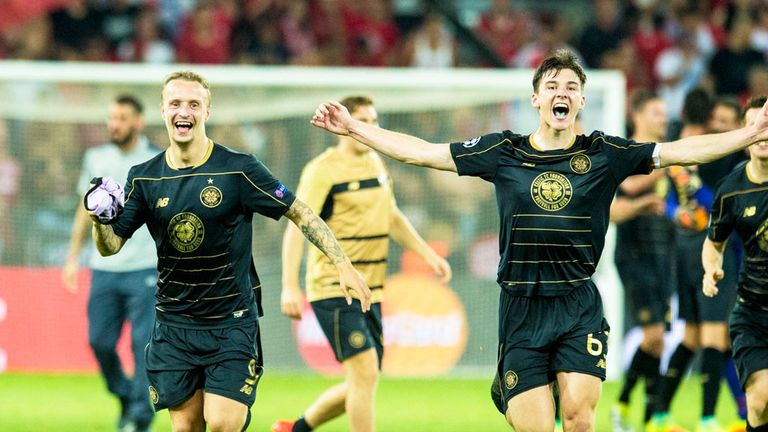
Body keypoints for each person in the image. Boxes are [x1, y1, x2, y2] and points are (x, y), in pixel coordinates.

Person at [309, 49, 768, 431]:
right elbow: (426, 153)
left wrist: (749, 133)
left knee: (579, 417)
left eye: (570, 87)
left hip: (577, 305)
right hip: (522, 307)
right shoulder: (503, 151)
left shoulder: (604, 153)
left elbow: (676, 152)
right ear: (535, 99)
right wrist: (354, 128)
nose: (561, 93)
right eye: (552, 86)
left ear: (582, 101)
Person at [86, 71, 371, 432]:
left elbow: (300, 211)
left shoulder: (239, 168)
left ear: (207, 111)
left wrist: (342, 264)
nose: (183, 111)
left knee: (221, 423)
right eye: (175, 103)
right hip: (174, 326)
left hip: (231, 323)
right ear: (163, 110)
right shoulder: (144, 177)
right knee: (186, 427)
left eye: (193, 103)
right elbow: (111, 247)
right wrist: (100, 218)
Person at [271, 96, 451, 432]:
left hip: (373, 288)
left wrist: (427, 253)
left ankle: (295, 429)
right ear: (342, 125)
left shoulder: (376, 163)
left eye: (374, 119)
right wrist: (289, 286)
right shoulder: (322, 170)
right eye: (363, 119)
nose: (372, 126)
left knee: (364, 378)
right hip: (333, 286)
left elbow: (392, 215)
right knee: (365, 372)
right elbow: (299, 225)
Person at [62, 95, 159, 432]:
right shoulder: (96, 157)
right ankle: (126, 397)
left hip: (146, 267)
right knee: (100, 342)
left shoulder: (154, 160)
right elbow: (83, 209)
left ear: (138, 122)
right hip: (104, 269)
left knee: (142, 344)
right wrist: (73, 257)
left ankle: (140, 417)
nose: (114, 124)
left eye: (121, 118)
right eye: (111, 118)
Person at [649, 96, 745, 432]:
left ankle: (657, 415)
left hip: (685, 250)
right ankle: (707, 419)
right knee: (715, 337)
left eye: (726, 122)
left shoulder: (684, 149)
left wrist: (677, 213)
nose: (719, 128)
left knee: (691, 337)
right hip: (710, 253)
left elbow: (674, 202)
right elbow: (705, 202)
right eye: (716, 121)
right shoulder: (726, 162)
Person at [703, 96, 768, 432]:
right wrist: (710, 268)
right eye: (756, 126)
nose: (763, 133)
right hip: (753, 313)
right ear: (745, 135)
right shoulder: (730, 189)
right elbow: (713, 243)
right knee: (760, 401)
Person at [611, 91, 675, 432]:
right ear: (637, 115)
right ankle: (625, 408)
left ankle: (647, 418)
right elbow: (617, 207)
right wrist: (651, 192)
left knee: (659, 341)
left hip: (664, 255)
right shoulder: (624, 154)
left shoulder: (668, 159)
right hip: (634, 257)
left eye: (665, 114)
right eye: (656, 112)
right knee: (652, 337)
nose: (663, 119)